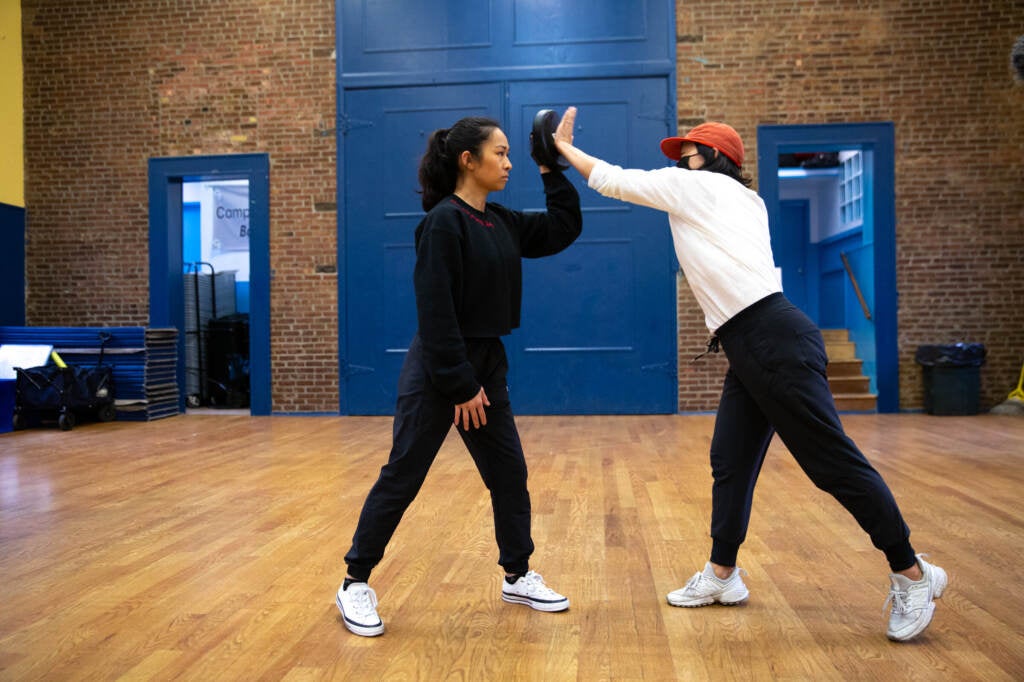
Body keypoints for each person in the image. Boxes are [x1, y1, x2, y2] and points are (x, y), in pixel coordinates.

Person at [551, 107, 947, 642]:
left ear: (712, 157)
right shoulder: (746, 199)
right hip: (755, 340)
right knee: (730, 460)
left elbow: (615, 181)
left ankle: (912, 573)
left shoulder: (699, 187)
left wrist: (563, 151)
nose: (680, 159)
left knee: (831, 462)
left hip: (769, 340)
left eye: (688, 151)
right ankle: (722, 575)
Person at [336, 114, 582, 637]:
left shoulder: (502, 222)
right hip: (440, 367)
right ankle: (355, 581)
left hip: (485, 362)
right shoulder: (443, 222)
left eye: (513, 153)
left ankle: (516, 573)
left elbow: (564, 228)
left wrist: (549, 166)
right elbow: (435, 308)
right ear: (468, 160)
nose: (509, 162)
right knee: (404, 474)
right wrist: (459, 383)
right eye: (501, 153)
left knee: (509, 474)